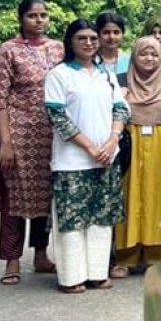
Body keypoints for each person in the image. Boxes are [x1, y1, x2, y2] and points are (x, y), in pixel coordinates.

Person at [43, 19, 129, 293]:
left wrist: (112, 139)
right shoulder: (59, 74)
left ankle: (97, 273)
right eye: (82, 38)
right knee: (72, 219)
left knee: (101, 219)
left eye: (93, 38)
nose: (90, 42)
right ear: (70, 41)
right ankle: (71, 277)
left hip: (107, 157)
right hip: (72, 160)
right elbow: (57, 116)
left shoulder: (106, 75)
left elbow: (121, 109)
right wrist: (91, 147)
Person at [0, 0, 63, 285]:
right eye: (32, 16)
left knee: (47, 197)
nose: (39, 20)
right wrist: (5, 142)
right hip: (19, 135)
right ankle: (12, 260)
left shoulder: (58, 48)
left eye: (43, 15)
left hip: (52, 134)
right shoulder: (8, 50)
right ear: (21, 19)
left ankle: (41, 254)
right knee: (15, 199)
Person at [113, 37, 161, 274]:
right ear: (134, 56)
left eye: (154, 54)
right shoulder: (121, 82)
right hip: (129, 142)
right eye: (143, 54)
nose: (149, 58)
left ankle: (157, 257)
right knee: (128, 196)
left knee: (160, 196)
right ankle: (126, 257)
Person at [94, 11, 131, 76]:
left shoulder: (129, 62)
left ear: (123, 34)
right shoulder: (89, 61)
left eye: (116, 32)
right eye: (106, 32)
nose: (111, 37)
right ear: (98, 34)